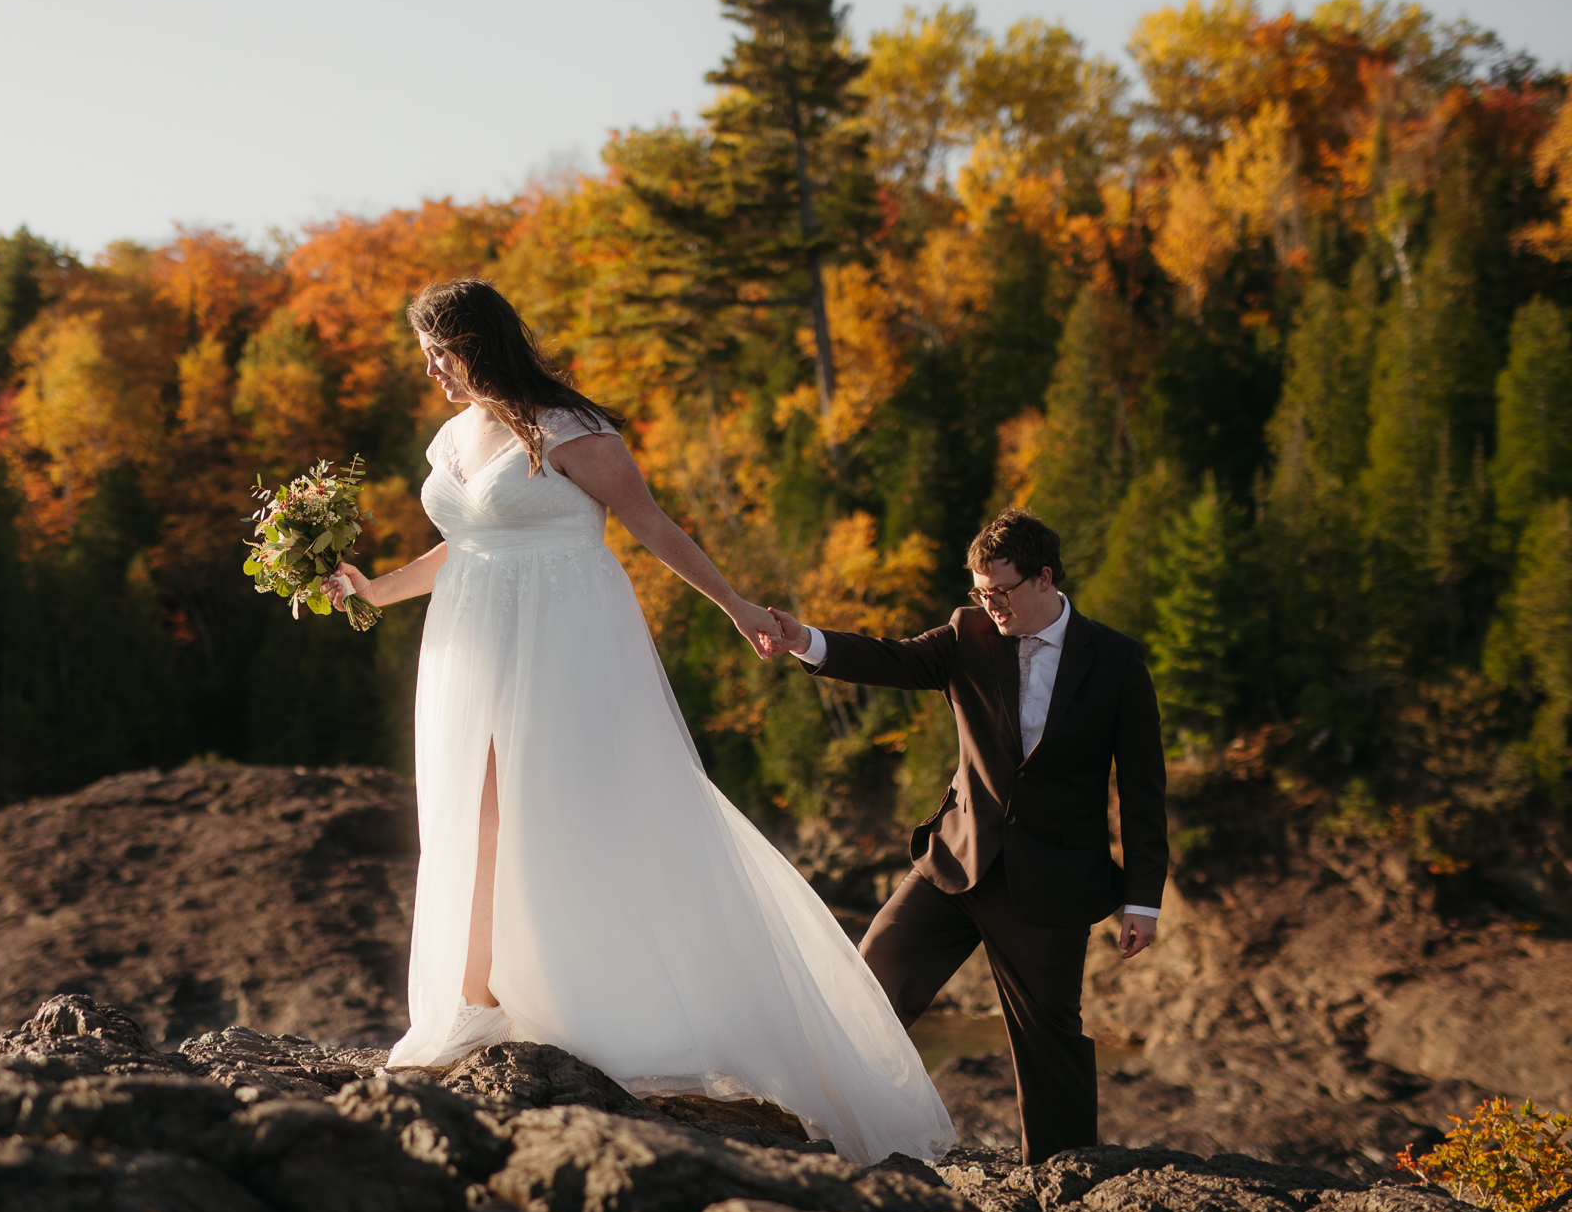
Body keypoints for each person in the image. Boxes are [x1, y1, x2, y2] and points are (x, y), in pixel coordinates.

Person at [324, 278, 953, 1164]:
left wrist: (738, 606)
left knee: (562, 815)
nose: (430, 370)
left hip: (564, 636)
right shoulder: (452, 435)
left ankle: (626, 1006)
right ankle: (470, 1002)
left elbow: (652, 525)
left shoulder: (572, 431)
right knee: (472, 815)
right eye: (424, 354)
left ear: (481, 345)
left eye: (442, 351)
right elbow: (463, 544)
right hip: (467, 641)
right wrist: (371, 588)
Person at [764, 508, 1168, 1164]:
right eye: (980, 591)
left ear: (1045, 578)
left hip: (1052, 884)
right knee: (870, 986)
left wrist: (1143, 899)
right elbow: (891, 659)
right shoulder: (967, 633)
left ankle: (1066, 1181)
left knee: (1051, 1042)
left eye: (1000, 591)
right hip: (955, 861)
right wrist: (804, 639)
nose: (989, 604)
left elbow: (1145, 789)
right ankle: (813, 1129)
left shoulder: (1117, 660)